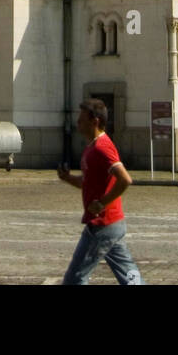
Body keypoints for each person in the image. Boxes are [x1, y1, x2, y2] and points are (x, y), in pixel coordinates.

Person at [58, 98, 143, 286]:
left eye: (81, 119)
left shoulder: (102, 147)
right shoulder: (91, 148)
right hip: (112, 225)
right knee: (129, 275)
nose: (77, 122)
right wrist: (67, 178)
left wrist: (102, 203)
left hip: (103, 225)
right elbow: (87, 183)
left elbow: (125, 179)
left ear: (94, 122)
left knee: (75, 278)